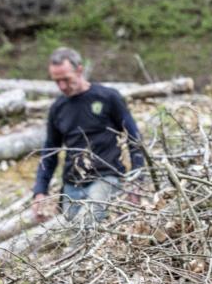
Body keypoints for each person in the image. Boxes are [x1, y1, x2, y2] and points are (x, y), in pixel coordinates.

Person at [31, 48, 145, 224]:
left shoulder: (108, 97)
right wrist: (40, 191)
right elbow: (49, 152)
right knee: (67, 234)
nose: (62, 86)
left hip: (106, 177)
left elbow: (134, 138)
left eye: (66, 79)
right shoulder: (58, 108)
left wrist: (136, 181)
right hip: (72, 183)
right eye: (56, 81)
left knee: (86, 223)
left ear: (79, 70)